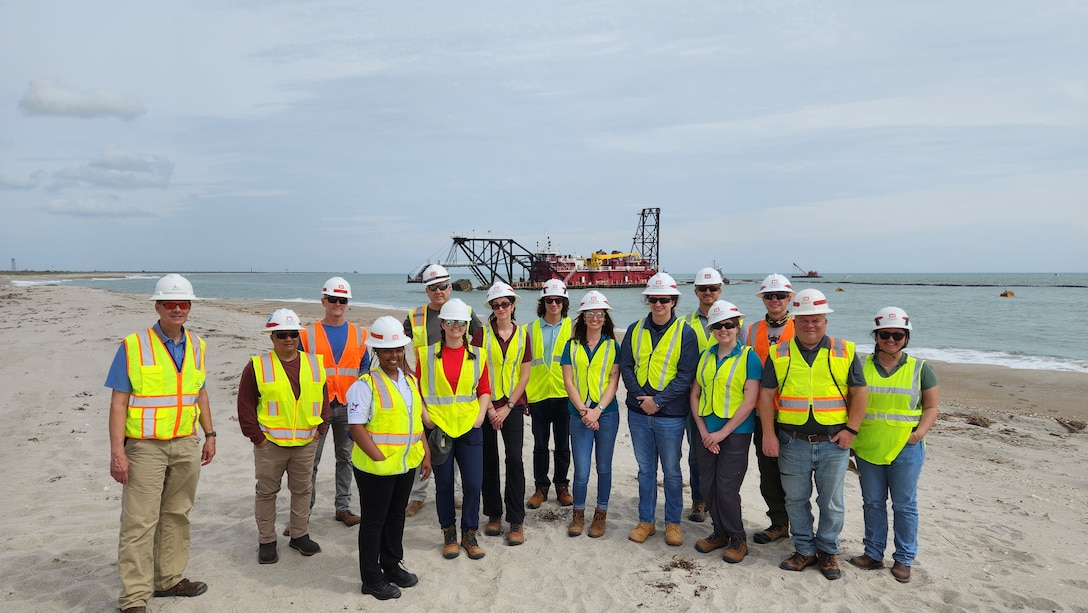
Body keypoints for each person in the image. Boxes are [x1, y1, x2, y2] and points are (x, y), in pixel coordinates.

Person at [106, 274, 216, 613]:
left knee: (177, 514)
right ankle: (134, 600)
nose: (178, 309)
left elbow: (199, 392)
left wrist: (209, 434)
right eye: (171, 303)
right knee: (139, 522)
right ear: (158, 306)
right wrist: (117, 452)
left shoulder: (197, 346)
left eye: (184, 304)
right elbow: (118, 403)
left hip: (185, 442)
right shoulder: (133, 346)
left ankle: (169, 579)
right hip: (144, 447)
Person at [758, 288, 867, 581]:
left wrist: (851, 431)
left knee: (831, 501)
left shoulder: (844, 351)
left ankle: (828, 551)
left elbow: (859, 393)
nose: (810, 325)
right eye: (804, 319)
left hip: (834, 442)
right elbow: (767, 396)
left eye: (816, 319)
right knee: (795, 500)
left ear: (825, 321)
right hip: (792, 441)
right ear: (795, 320)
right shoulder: (779, 353)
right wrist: (769, 434)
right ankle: (805, 550)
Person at [849, 307, 939, 584]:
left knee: (904, 505)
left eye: (897, 335)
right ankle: (873, 554)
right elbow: (849, 403)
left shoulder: (921, 369)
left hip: (906, 448)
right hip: (868, 446)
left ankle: (904, 559)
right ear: (876, 336)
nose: (891, 339)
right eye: (885, 334)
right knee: (873, 503)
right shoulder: (860, 365)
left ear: (906, 336)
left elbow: (932, 407)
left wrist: (917, 434)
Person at [346, 316, 431, 600]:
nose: (394, 355)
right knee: (374, 521)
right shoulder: (365, 384)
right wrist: (379, 458)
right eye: (387, 351)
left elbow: (414, 422)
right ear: (376, 352)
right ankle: (371, 578)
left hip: (405, 464)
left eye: (398, 350)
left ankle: (392, 566)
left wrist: (426, 454)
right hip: (376, 468)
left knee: (396, 518)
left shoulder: (410, 381)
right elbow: (356, 427)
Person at [237, 308, 329, 565]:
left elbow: (324, 400)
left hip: (306, 442)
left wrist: (319, 430)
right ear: (272, 337)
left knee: (302, 490)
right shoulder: (257, 366)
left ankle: (300, 535)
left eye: (293, 334)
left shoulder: (314, 363)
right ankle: (266, 541)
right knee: (266, 493)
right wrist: (258, 439)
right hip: (270, 444)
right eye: (282, 335)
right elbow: (245, 406)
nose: (288, 339)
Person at [619, 272, 700, 547]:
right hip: (638, 412)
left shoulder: (685, 334)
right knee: (645, 470)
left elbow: (685, 376)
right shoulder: (634, 329)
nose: (658, 304)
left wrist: (659, 401)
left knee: (672, 471)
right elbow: (627, 366)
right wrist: (641, 397)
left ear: (673, 301)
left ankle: (673, 524)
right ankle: (646, 521)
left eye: (664, 299)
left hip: (671, 415)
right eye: (654, 299)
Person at [403, 264, 483, 517]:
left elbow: (479, 343)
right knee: (423, 445)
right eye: (433, 287)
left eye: (443, 286)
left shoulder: (465, 312)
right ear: (426, 290)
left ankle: (453, 493)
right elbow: (397, 348)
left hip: (455, 391)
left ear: (450, 287)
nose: (438, 291)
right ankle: (417, 496)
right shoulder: (415, 317)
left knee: (450, 448)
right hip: (426, 394)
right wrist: (408, 374)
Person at [417, 298, 492, 560]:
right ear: (442, 324)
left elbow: (484, 390)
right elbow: (417, 390)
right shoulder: (425, 354)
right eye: (450, 321)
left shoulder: (478, 355)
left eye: (461, 322)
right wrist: (425, 417)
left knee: (473, 484)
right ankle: (449, 532)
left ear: (467, 324)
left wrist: (480, 417)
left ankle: (469, 533)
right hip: (440, 429)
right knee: (445, 484)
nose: (456, 326)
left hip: (470, 427)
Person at [689, 301, 761, 563]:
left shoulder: (748, 357)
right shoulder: (705, 356)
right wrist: (703, 429)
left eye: (729, 324)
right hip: (706, 429)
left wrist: (722, 433)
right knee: (707, 485)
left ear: (737, 327)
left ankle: (737, 538)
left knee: (726, 488)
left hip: (736, 432)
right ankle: (719, 532)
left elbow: (749, 400)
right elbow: (695, 394)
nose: (723, 329)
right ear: (711, 329)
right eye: (718, 325)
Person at [299, 276, 370, 528]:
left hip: (348, 408)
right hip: (319, 408)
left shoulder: (360, 334)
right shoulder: (307, 334)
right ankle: (302, 514)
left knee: (346, 459)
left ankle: (343, 508)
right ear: (323, 301)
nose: (337, 304)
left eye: (342, 300)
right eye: (333, 299)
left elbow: (365, 373)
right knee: (310, 463)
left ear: (347, 302)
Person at [739, 273, 796, 545]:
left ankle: (802, 526)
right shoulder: (750, 330)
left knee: (796, 474)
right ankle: (778, 523)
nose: (775, 300)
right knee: (769, 472)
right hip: (762, 414)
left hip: (794, 414)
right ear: (763, 299)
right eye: (769, 296)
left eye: (780, 296)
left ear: (789, 299)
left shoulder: (802, 327)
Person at [561, 290, 621, 539]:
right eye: (590, 314)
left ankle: (601, 513)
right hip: (579, 414)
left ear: (605, 317)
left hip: (606, 414)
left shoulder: (613, 346)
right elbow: (568, 382)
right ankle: (578, 514)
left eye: (599, 314)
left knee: (604, 467)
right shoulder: (571, 346)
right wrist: (585, 411)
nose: (595, 318)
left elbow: (613, 382)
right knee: (582, 471)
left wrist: (597, 411)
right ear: (583, 317)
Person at [480, 282, 532, 546]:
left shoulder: (523, 335)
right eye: (496, 304)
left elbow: (525, 375)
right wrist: (490, 408)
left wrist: (508, 407)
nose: (501, 308)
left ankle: (516, 519)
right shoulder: (481, 334)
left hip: (512, 405)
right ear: (492, 307)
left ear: (513, 305)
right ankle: (493, 513)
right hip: (486, 404)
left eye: (505, 304)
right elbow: (477, 372)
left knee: (514, 460)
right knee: (488, 459)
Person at [525, 279, 574, 509]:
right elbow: (522, 365)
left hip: (565, 395)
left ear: (564, 302)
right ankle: (541, 487)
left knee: (563, 445)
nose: (553, 304)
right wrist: (524, 396)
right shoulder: (530, 330)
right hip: (538, 396)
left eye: (558, 300)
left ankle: (562, 486)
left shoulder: (573, 328)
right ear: (543, 302)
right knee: (540, 445)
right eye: (549, 300)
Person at [683, 266, 725, 523]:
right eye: (703, 288)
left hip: (725, 398)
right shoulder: (685, 323)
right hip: (694, 398)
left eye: (713, 288)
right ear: (696, 291)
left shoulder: (733, 320)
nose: (708, 292)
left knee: (725, 454)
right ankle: (699, 501)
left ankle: (719, 500)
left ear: (720, 290)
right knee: (697, 453)